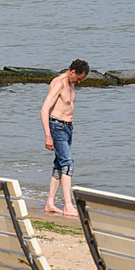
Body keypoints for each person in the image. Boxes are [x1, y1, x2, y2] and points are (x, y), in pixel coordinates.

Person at [40, 59, 90, 216]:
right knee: (68, 164)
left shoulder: (71, 82)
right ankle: (68, 205)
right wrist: (48, 135)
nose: (80, 82)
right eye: (79, 78)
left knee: (59, 165)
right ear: (72, 71)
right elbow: (44, 110)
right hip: (57, 127)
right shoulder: (59, 83)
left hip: (68, 128)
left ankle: (50, 204)